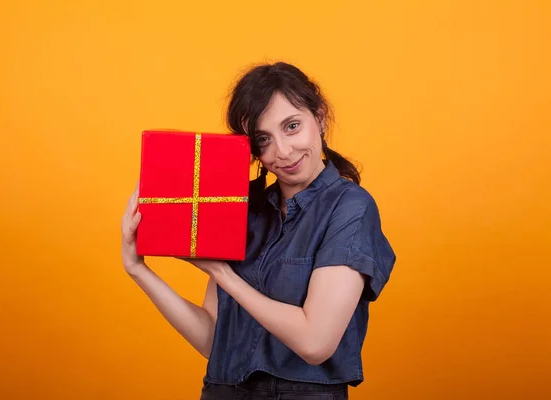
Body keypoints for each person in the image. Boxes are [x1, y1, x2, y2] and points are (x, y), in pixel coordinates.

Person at [121, 62, 397, 399]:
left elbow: (315, 343)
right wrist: (139, 270)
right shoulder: (244, 208)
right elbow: (212, 339)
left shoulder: (350, 207)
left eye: (292, 126)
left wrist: (223, 273)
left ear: (320, 118)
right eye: (263, 140)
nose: (282, 152)